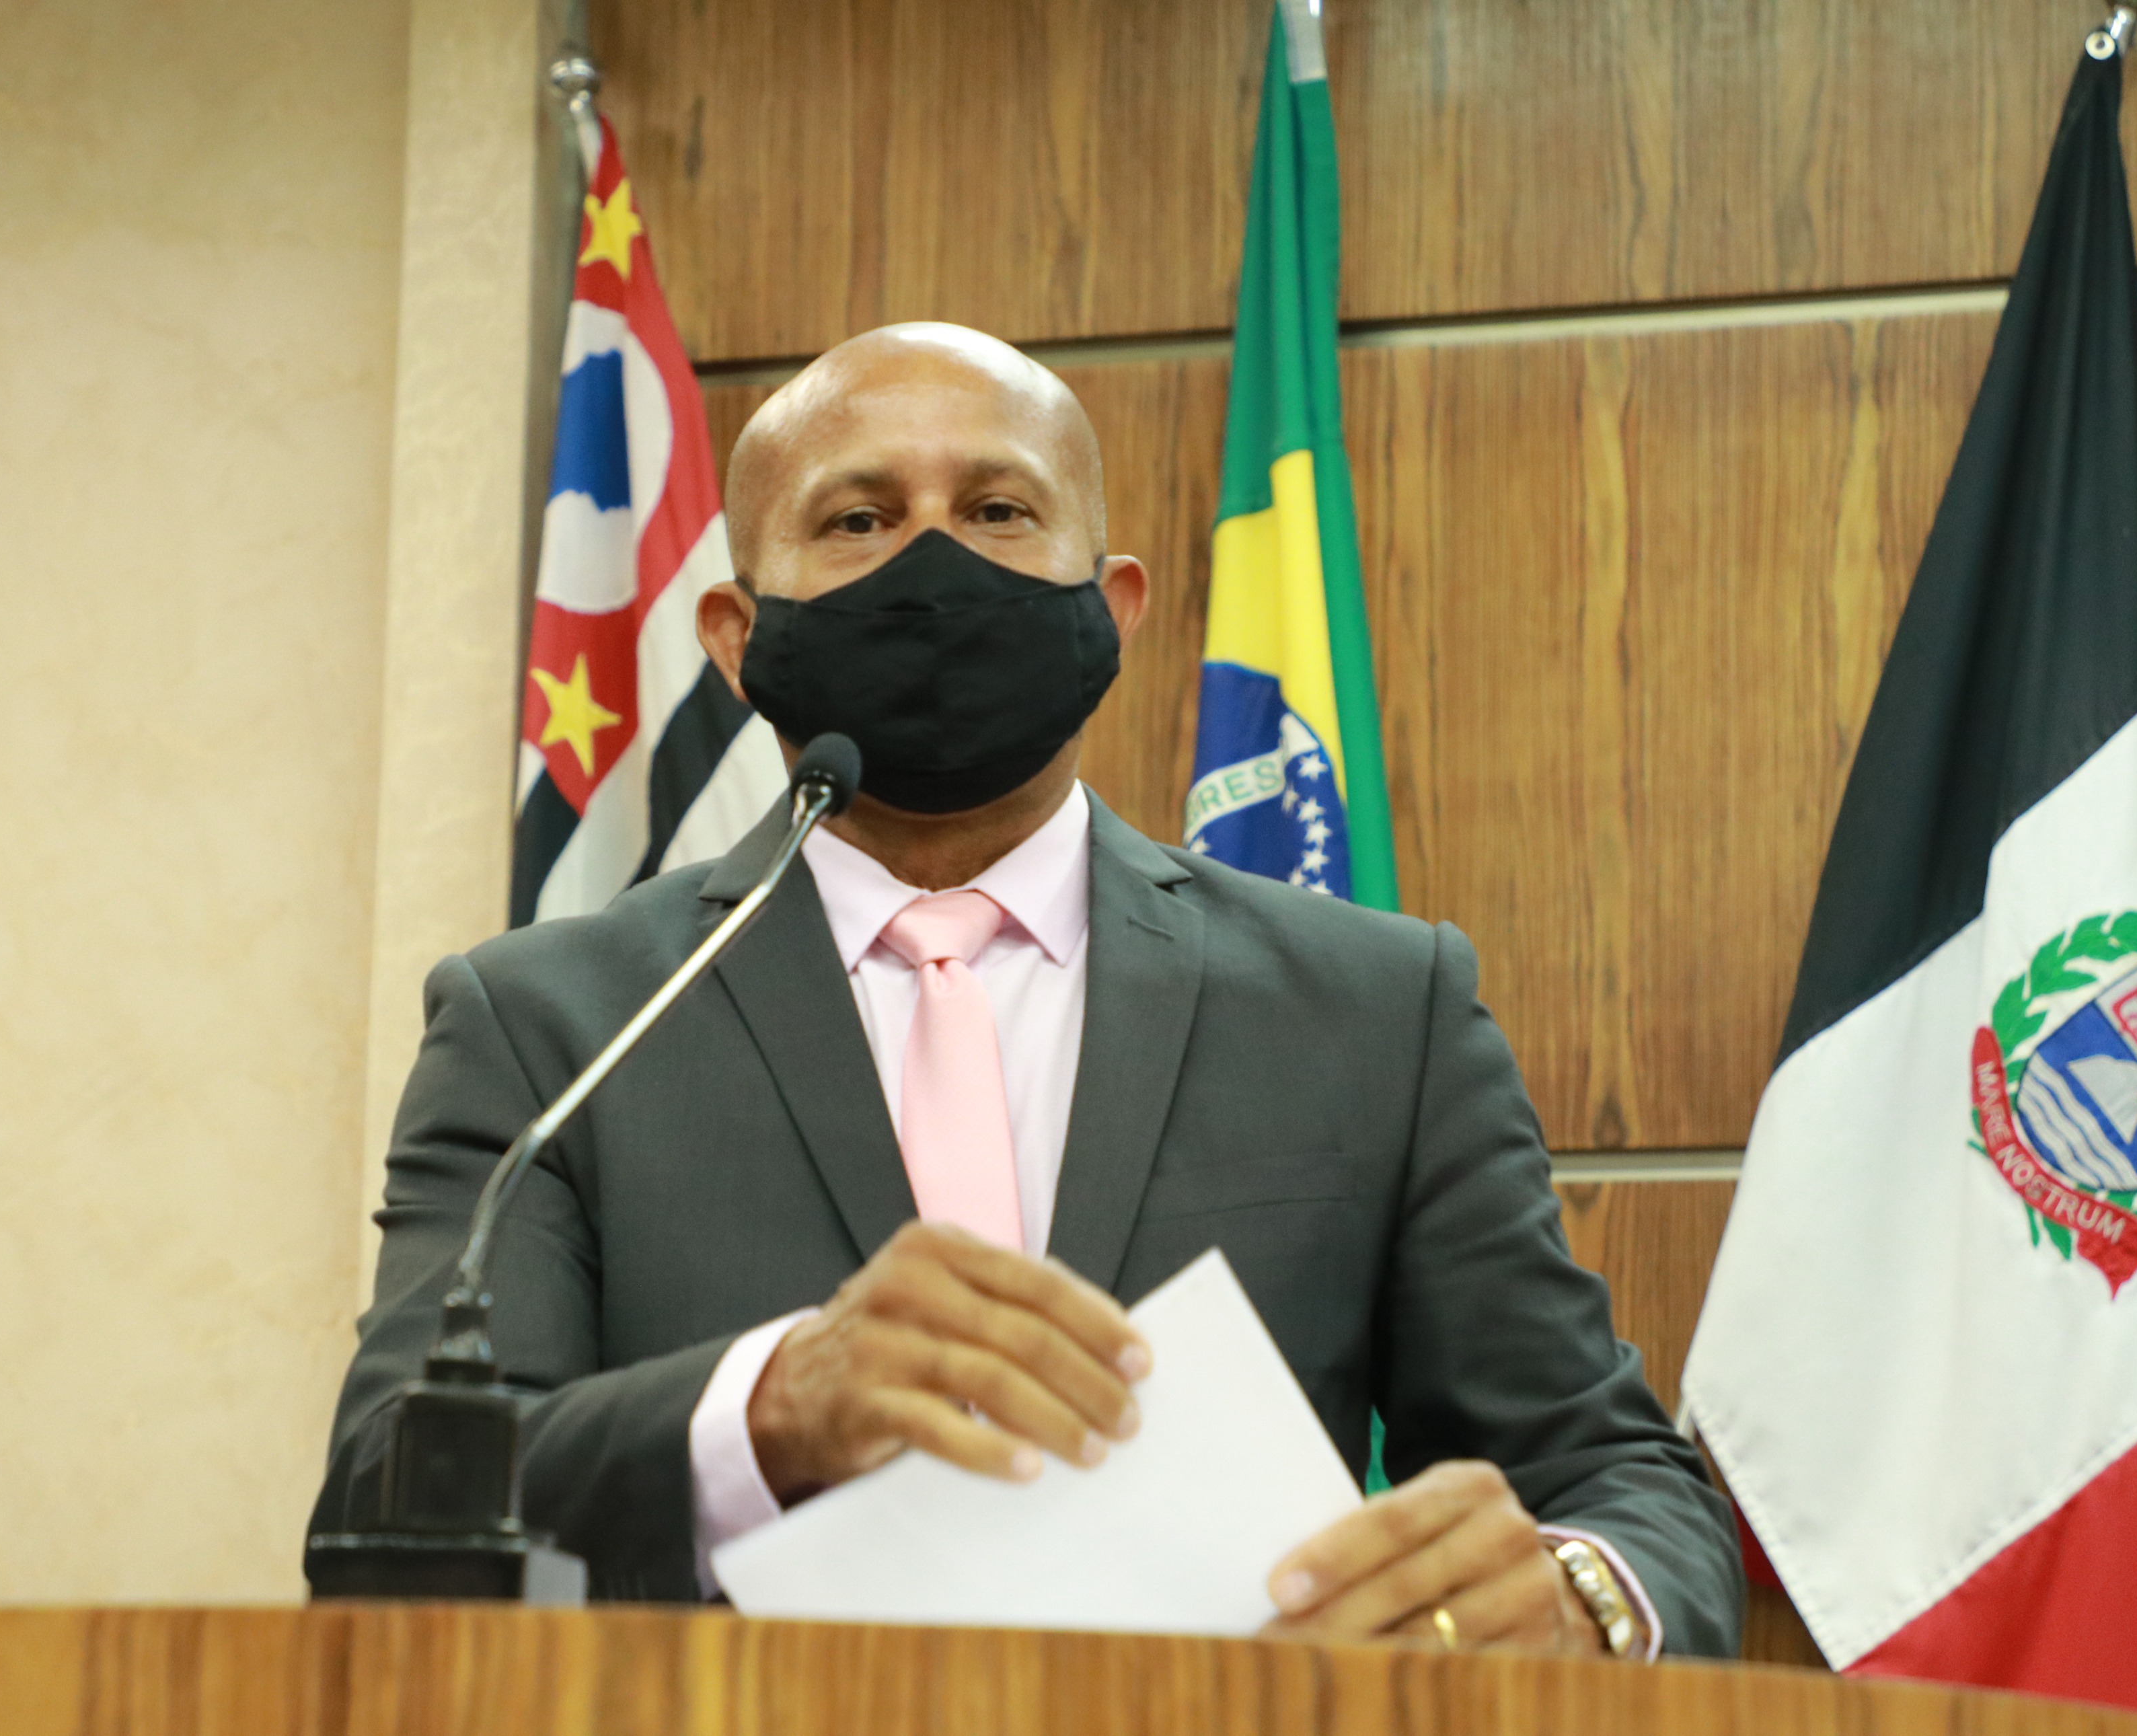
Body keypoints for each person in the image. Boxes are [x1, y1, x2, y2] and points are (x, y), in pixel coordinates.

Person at [314, 322, 1741, 1656]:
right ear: (739, 638)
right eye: (858, 519)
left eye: (998, 509)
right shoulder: (551, 1024)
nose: (934, 561)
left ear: (1112, 609)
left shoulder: (1373, 1008)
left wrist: (1580, 1595)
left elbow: (1618, 1480)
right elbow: (389, 1506)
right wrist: (768, 1407)